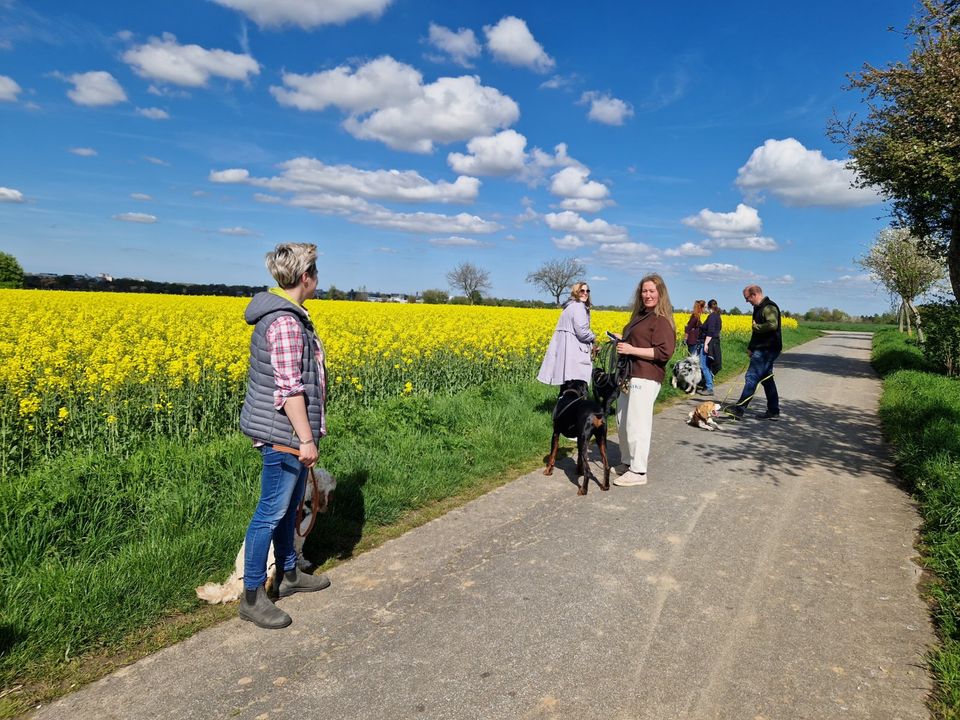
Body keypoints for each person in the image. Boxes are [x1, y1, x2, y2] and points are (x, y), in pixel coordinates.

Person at [238, 242, 332, 629]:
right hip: (284, 435)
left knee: (288, 509)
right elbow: (289, 389)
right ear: (305, 277)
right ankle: (253, 595)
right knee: (269, 513)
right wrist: (306, 440)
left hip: (287, 432)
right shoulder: (286, 323)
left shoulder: (288, 316)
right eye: (316, 273)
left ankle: (290, 574)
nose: (317, 280)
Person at [612, 274, 676, 486]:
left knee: (637, 423)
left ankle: (639, 471)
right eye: (644, 291)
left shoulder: (661, 320)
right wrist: (622, 341)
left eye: (651, 291)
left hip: (646, 375)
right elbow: (637, 341)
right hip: (629, 374)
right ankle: (627, 462)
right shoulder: (640, 315)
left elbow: (664, 352)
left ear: (660, 293)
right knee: (622, 421)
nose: (647, 295)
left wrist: (631, 349)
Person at [729, 284, 781, 420]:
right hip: (761, 348)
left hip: (767, 349)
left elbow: (772, 324)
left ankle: (739, 409)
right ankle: (773, 411)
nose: (747, 301)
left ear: (754, 295)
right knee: (767, 379)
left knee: (751, 377)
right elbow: (756, 333)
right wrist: (751, 347)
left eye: (747, 298)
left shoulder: (769, 307)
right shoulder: (758, 308)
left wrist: (757, 327)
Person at [537, 281, 596, 398]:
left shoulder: (568, 306)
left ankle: (562, 409)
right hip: (574, 350)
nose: (585, 293)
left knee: (566, 385)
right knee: (578, 383)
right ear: (576, 292)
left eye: (587, 291)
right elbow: (582, 332)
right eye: (582, 291)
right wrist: (594, 337)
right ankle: (578, 411)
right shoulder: (579, 307)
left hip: (566, 349)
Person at [697, 299, 722, 396]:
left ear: (708, 307)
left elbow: (710, 331)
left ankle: (709, 387)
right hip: (715, 343)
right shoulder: (718, 316)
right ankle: (707, 384)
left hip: (708, 343)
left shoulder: (712, 316)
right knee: (708, 365)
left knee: (704, 365)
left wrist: (706, 344)